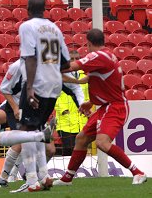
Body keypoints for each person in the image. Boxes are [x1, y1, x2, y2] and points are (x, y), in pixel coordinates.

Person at [53, 29, 147, 186]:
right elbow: (97, 79)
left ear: (88, 43)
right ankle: (67, 178)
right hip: (106, 106)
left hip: (115, 107)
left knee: (102, 142)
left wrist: (47, 65)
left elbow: (71, 66)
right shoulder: (108, 55)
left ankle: (138, 172)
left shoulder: (97, 56)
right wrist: (90, 102)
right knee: (81, 138)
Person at [11, 0, 70, 193]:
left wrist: (29, 88)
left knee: (26, 129)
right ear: (45, 8)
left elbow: (29, 57)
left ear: (27, 9)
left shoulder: (27, 26)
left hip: (38, 84)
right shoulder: (56, 28)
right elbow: (66, 62)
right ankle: (44, 176)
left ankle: (32, 180)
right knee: (37, 129)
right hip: (55, 85)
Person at [55, 50, 87, 156]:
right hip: (65, 121)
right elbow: (55, 96)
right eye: (71, 59)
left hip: (82, 120)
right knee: (69, 150)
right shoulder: (60, 75)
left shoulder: (85, 76)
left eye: (76, 59)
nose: (74, 61)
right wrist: (63, 110)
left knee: (81, 150)